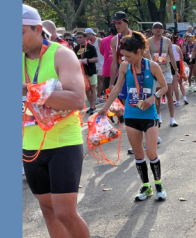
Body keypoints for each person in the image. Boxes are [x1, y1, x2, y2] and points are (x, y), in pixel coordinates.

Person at [23, 5, 106, 238]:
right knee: (48, 211)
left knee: (65, 211)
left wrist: (31, 91)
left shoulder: (60, 53)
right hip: (31, 143)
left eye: (20, 32)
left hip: (63, 142)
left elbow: (76, 99)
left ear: (36, 29)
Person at [99, 32, 168, 201]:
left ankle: (158, 185)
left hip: (149, 114)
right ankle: (146, 187)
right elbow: (116, 89)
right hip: (131, 114)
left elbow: (164, 87)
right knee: (138, 154)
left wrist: (154, 97)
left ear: (138, 51)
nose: (125, 59)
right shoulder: (124, 66)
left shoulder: (152, 66)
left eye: (128, 56)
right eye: (123, 56)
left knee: (151, 152)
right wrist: (104, 108)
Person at [148, 23, 180, 126]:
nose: (158, 30)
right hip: (155, 72)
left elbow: (171, 56)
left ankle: (172, 119)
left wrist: (176, 70)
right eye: (155, 28)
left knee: (169, 94)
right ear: (152, 30)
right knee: (157, 95)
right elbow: (148, 57)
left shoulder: (167, 41)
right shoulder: (148, 41)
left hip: (166, 70)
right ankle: (158, 116)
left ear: (163, 30)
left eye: (160, 28)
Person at [75, 31, 99, 114]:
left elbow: (96, 59)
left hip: (91, 71)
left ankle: (92, 106)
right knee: (86, 89)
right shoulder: (76, 48)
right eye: (78, 37)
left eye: (80, 37)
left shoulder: (91, 47)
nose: (79, 39)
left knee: (92, 88)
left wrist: (87, 60)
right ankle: (92, 106)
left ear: (85, 38)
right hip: (81, 72)